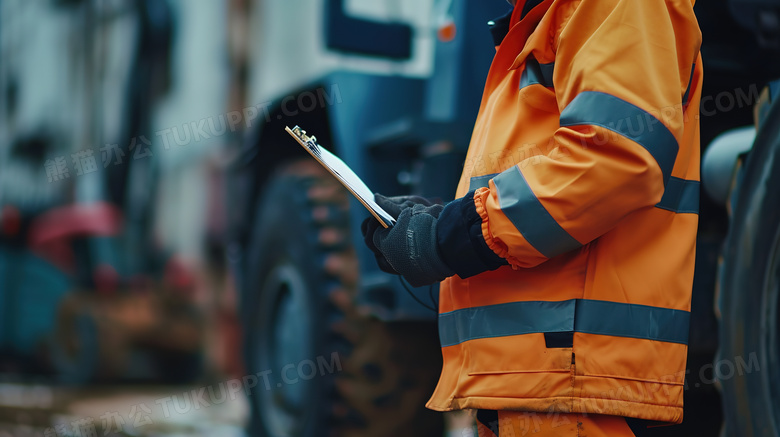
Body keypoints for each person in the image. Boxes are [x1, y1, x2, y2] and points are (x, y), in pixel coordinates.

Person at [361, 0, 703, 435]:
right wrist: (441, 222)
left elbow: (614, 159)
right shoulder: (542, 21)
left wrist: (451, 237)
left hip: (574, 379)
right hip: (544, 380)